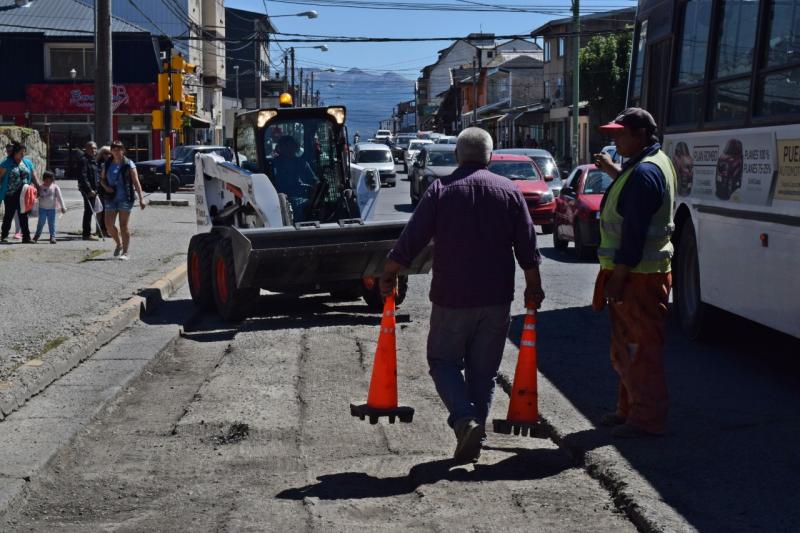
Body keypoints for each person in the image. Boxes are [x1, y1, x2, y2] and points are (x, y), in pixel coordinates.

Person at [380, 127, 545, 464]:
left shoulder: (441, 190)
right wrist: (533, 286)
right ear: (490, 156)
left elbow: (413, 238)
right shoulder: (509, 191)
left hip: (452, 298)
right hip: (497, 299)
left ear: (458, 155)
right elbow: (528, 246)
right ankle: (475, 436)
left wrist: (389, 273)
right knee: (483, 373)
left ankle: (465, 421)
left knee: (442, 361)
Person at [592, 108, 677, 438]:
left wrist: (619, 276)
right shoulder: (652, 164)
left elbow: (635, 233)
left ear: (641, 135)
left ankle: (646, 420)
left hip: (638, 276)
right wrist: (615, 172)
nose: (615, 139)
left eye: (620, 133)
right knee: (630, 348)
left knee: (640, 350)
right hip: (644, 274)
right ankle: (629, 411)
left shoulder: (644, 173)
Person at [100, 140, 145, 260]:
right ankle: (119, 244)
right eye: (114, 148)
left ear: (123, 150)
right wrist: (106, 187)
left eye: (119, 148)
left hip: (125, 198)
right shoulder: (107, 164)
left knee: (123, 226)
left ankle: (125, 252)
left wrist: (141, 198)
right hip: (111, 198)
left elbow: (136, 181)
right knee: (108, 225)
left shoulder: (128, 163)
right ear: (111, 151)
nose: (116, 151)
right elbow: (102, 179)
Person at [271, 135, 318, 220]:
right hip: (279, 200)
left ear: (296, 147)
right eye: (286, 146)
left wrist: (314, 195)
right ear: (280, 148)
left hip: (302, 197)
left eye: (292, 146)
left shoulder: (302, 164)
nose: (289, 149)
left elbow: (314, 181)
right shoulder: (273, 165)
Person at [0, 143, 39, 243]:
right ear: (15, 152)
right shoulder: (7, 163)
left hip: (24, 194)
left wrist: (39, 187)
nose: (22, 154)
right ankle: (4, 236)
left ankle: (26, 237)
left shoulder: (27, 163)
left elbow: (34, 176)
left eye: (23, 152)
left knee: (24, 216)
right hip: (10, 194)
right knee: (9, 215)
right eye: (20, 152)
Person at [77, 141, 105, 240]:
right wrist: (89, 190)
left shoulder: (92, 160)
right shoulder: (84, 160)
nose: (94, 150)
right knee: (88, 211)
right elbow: (83, 176)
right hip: (88, 190)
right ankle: (86, 234)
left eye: (95, 148)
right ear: (86, 149)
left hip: (94, 189)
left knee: (91, 210)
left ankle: (90, 232)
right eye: (91, 148)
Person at [33, 170, 66, 244]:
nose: (47, 182)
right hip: (42, 209)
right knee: (41, 223)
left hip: (52, 209)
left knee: (52, 223)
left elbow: (60, 197)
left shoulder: (55, 187)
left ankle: (52, 237)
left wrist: (63, 207)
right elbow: (36, 197)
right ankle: (36, 236)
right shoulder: (40, 187)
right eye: (46, 180)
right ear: (43, 179)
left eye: (50, 180)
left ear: (52, 180)